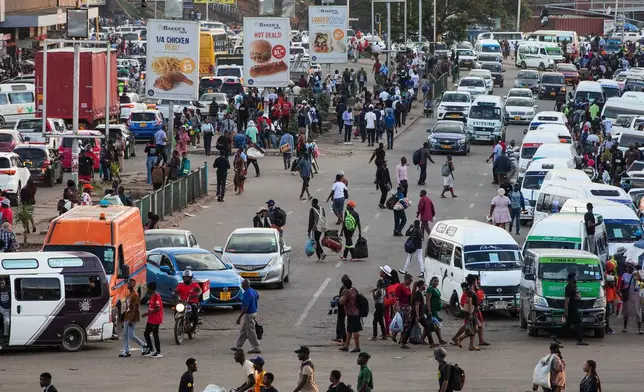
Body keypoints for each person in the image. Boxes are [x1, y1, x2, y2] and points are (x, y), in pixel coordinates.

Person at [552, 272, 589, 345]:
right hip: (572, 308)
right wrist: (566, 311)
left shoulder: (574, 286)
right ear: (571, 279)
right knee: (577, 323)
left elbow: (578, 296)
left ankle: (556, 336)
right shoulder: (569, 287)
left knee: (567, 325)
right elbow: (567, 300)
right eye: (575, 278)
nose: (576, 279)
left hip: (575, 306)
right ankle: (580, 340)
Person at [119, 278, 147, 357]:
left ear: (134, 285)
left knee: (131, 335)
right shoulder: (128, 294)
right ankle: (127, 350)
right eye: (128, 283)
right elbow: (128, 307)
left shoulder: (135, 295)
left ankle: (144, 345)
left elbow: (135, 308)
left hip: (132, 317)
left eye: (130, 283)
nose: (128, 285)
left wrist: (131, 319)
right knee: (125, 334)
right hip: (127, 316)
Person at [234, 279, 261, 354]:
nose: (241, 286)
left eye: (242, 285)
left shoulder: (247, 293)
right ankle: (238, 346)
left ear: (244, 285)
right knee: (244, 331)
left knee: (251, 332)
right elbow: (257, 297)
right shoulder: (253, 290)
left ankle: (256, 348)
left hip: (249, 314)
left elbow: (245, 307)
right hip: (254, 312)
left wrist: (239, 317)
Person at [619, 263, 642, 334]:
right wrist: (620, 293)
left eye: (632, 268)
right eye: (629, 268)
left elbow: (640, 283)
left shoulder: (635, 275)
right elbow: (621, 286)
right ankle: (624, 328)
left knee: (638, 312)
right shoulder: (624, 275)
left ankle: (640, 329)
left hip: (635, 296)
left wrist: (638, 276)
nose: (630, 269)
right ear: (627, 268)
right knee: (626, 312)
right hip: (627, 296)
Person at [339, 278, 361, 352]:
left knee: (355, 331)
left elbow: (342, 301)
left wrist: (340, 297)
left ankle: (357, 347)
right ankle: (346, 345)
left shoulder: (346, 292)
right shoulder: (354, 289)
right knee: (349, 330)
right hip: (356, 311)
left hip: (352, 313)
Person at [141, 280, 163, 358]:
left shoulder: (156, 296)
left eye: (148, 288)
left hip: (155, 319)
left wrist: (147, 314)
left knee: (155, 334)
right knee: (146, 333)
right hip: (151, 319)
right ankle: (150, 348)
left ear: (150, 289)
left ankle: (159, 351)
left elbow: (157, 308)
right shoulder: (152, 296)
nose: (147, 289)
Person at [426, 276, 447, 345]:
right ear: (431, 281)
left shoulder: (436, 289)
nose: (436, 282)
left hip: (435, 309)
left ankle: (422, 339)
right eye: (435, 281)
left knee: (429, 324)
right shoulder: (430, 289)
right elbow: (428, 300)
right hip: (431, 309)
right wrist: (429, 310)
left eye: (437, 281)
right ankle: (440, 339)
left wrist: (445, 307)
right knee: (437, 324)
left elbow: (439, 299)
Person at [369, 270, 388, 342]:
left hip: (378, 306)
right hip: (382, 305)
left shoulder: (379, 291)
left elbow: (375, 298)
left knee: (375, 322)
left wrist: (373, 293)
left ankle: (374, 336)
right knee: (381, 321)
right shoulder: (383, 290)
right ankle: (384, 335)